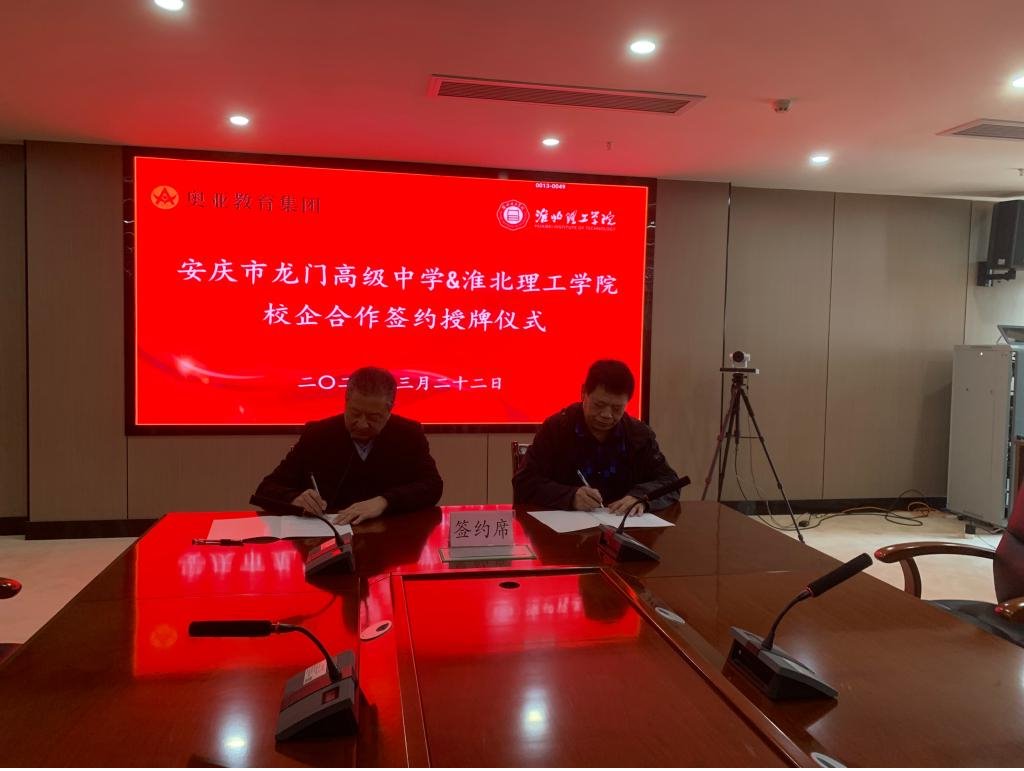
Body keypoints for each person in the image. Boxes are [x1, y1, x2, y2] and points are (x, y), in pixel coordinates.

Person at [254, 366, 443, 525]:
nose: (362, 424)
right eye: (355, 413)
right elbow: (266, 489)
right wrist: (294, 498)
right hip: (327, 539)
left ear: (389, 409)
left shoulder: (408, 434)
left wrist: (385, 501)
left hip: (391, 537)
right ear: (346, 401)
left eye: (373, 417)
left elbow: (432, 486)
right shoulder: (318, 435)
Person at [512, 359, 679, 514]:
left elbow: (670, 481)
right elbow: (524, 482)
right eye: (599, 405)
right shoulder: (557, 429)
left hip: (622, 528)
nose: (607, 415)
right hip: (565, 529)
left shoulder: (638, 435)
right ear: (583, 393)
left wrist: (641, 497)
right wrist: (570, 496)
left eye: (617, 409)